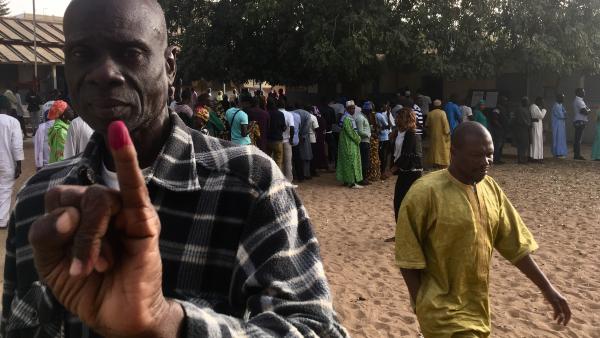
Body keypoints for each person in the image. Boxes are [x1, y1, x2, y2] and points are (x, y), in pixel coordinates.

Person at [1, 1, 348, 337]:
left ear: (170, 65)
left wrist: (167, 322)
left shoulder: (248, 185)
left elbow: (315, 328)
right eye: (81, 54)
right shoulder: (39, 199)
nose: (104, 73)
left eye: (130, 53)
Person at [395, 122, 571, 337]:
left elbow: (515, 245)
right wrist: (422, 304)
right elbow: (407, 255)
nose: (486, 162)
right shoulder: (425, 192)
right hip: (441, 313)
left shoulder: (491, 188)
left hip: (478, 309)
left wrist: (547, 289)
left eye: (490, 154)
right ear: (454, 153)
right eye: (477, 155)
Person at [390, 107, 422, 221]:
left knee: (407, 203)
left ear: (405, 119)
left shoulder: (411, 134)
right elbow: (395, 153)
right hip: (404, 171)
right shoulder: (399, 133)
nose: (396, 119)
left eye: (398, 117)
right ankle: (400, 232)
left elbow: (406, 154)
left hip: (413, 173)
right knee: (398, 202)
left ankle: (407, 233)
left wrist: (392, 170)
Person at [0, 94, 23, 229]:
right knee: (5, 190)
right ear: (8, 107)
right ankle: (2, 220)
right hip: (6, 162)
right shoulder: (12, 122)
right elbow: (17, 145)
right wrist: (18, 164)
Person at [336, 101, 363, 188]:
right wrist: (358, 139)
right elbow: (350, 132)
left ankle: (346, 180)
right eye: (351, 108)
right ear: (347, 109)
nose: (353, 110)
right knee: (351, 161)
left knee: (346, 161)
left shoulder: (346, 117)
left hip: (346, 142)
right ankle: (352, 182)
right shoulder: (347, 118)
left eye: (354, 108)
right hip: (349, 143)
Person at [426, 99, 451, 168]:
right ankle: (442, 164)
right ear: (440, 106)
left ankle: (434, 163)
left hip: (433, 135)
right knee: (442, 149)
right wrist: (448, 133)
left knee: (434, 150)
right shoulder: (442, 113)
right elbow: (445, 124)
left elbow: (427, 125)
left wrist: (429, 134)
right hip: (442, 136)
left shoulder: (430, 113)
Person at [34, 103, 55, 171]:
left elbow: (37, 146)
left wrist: (38, 164)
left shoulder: (41, 127)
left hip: (46, 163)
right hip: (60, 162)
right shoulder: (64, 125)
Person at [355, 102, 373, 185]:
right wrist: (369, 134)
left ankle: (364, 178)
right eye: (369, 110)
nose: (370, 112)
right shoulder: (360, 118)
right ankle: (362, 179)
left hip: (366, 141)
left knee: (366, 161)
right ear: (365, 110)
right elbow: (360, 131)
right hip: (363, 142)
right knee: (364, 161)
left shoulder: (364, 117)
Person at [266, 97, 286, 169]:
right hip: (277, 141)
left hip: (267, 141)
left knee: (267, 161)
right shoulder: (280, 114)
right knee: (278, 161)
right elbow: (283, 127)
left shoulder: (266, 113)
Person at [376, 103, 394, 177]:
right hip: (384, 137)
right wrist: (388, 115)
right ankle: (382, 172)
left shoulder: (377, 114)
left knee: (384, 155)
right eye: (385, 107)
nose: (386, 108)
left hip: (384, 137)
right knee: (384, 156)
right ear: (381, 108)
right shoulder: (380, 115)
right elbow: (389, 125)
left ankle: (382, 171)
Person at [279, 99, 295, 181]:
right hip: (287, 141)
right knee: (288, 162)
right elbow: (292, 127)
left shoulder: (276, 114)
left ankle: (280, 180)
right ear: (284, 105)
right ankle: (288, 181)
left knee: (279, 162)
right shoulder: (289, 114)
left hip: (277, 141)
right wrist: (291, 139)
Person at [489, 96, 509, 164]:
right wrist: (500, 127)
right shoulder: (497, 109)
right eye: (504, 101)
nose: (506, 102)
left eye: (506, 101)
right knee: (497, 145)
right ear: (500, 101)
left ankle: (499, 159)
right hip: (498, 130)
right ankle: (495, 160)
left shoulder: (504, 108)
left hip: (503, 130)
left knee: (501, 145)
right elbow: (494, 119)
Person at [573, 88, 591, 160]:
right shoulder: (579, 101)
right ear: (578, 93)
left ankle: (576, 154)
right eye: (583, 92)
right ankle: (577, 155)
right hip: (580, 121)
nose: (584, 93)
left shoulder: (579, 100)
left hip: (579, 120)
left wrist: (587, 110)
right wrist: (588, 110)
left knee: (577, 139)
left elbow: (586, 110)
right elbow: (585, 111)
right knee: (578, 139)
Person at [365, 102, 381, 182]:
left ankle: (373, 175)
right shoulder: (368, 116)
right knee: (372, 157)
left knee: (373, 157)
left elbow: (376, 127)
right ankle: (372, 175)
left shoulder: (373, 115)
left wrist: (374, 133)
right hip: (371, 137)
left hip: (372, 138)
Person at [513, 97, 532, 164]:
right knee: (521, 145)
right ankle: (520, 160)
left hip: (526, 129)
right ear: (523, 102)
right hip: (521, 129)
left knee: (525, 144)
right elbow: (523, 120)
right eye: (527, 101)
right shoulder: (520, 109)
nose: (528, 103)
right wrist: (528, 124)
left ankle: (523, 158)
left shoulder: (526, 109)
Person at [530, 97, 547, 162]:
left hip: (538, 126)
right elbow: (541, 116)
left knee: (538, 141)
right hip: (536, 126)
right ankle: (535, 157)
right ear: (537, 101)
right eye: (541, 102)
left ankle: (538, 157)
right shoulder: (534, 107)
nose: (542, 103)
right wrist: (544, 109)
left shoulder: (535, 107)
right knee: (536, 142)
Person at [551, 93, 568, 158]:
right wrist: (564, 114)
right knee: (558, 139)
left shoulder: (560, 105)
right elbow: (562, 115)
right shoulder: (556, 106)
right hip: (557, 126)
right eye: (562, 98)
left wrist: (564, 113)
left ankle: (561, 152)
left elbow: (565, 113)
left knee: (561, 139)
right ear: (558, 98)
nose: (563, 99)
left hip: (561, 125)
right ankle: (557, 153)